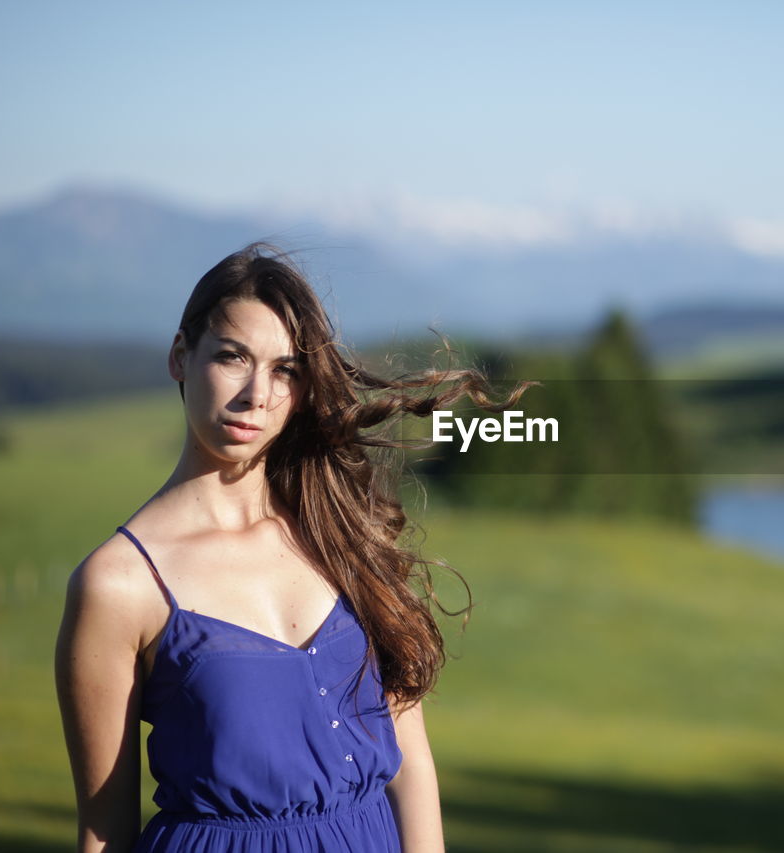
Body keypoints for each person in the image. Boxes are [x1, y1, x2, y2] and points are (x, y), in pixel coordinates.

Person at [54, 242, 531, 852]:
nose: (257, 393)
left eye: (286, 370)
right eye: (232, 357)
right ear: (181, 357)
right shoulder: (119, 584)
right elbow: (105, 834)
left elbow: (410, 765)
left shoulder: (338, 532)